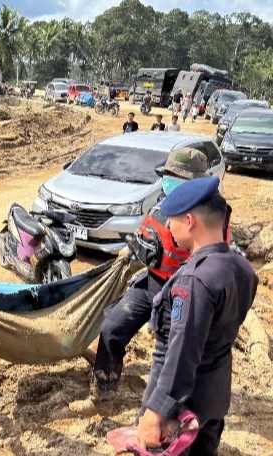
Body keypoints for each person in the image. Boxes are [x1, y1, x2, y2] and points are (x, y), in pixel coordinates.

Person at [136, 176, 257, 455]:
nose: (168, 227)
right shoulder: (242, 268)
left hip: (181, 408)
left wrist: (157, 411)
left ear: (189, 221)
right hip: (214, 396)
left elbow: (182, 351)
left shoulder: (194, 280)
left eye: (172, 220)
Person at [92, 149, 211, 400]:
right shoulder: (163, 203)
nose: (169, 182)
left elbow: (212, 263)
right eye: (168, 176)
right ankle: (104, 390)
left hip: (181, 293)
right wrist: (130, 251)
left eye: (177, 178)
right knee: (112, 326)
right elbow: (148, 236)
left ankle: (165, 405)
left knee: (170, 351)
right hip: (152, 282)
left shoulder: (207, 217)